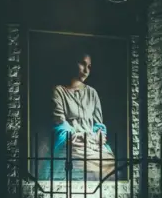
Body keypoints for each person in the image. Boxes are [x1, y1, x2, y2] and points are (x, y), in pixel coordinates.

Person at [47, 50, 115, 181]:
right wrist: (80, 137)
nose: (86, 70)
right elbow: (59, 123)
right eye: (83, 64)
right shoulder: (59, 91)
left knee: (111, 164)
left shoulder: (92, 93)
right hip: (72, 142)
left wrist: (100, 134)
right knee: (81, 163)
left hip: (93, 143)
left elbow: (98, 124)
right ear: (73, 63)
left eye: (89, 66)